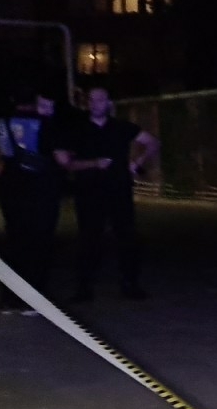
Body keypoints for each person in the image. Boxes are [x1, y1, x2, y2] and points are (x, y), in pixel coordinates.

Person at [0, 86, 72, 314]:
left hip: (11, 188)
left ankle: (9, 299)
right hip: (43, 190)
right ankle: (33, 300)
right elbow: (62, 159)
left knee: (15, 241)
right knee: (39, 243)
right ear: (36, 101)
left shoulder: (1, 122)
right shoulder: (48, 123)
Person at [66, 85, 159, 301]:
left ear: (108, 103)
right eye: (91, 100)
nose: (95, 104)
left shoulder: (121, 127)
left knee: (126, 236)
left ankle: (130, 283)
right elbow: (68, 162)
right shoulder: (78, 129)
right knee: (89, 238)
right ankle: (84, 287)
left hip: (118, 189)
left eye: (100, 100)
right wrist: (93, 163)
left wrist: (137, 163)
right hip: (88, 191)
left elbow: (152, 142)